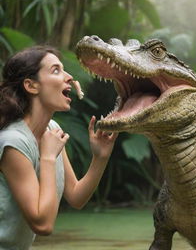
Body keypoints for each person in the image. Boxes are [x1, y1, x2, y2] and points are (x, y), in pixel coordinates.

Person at [0, 46, 118, 249]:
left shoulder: (52, 130)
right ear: (31, 85)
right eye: (56, 70)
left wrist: (100, 157)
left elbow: (75, 196)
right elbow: (43, 224)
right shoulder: (14, 141)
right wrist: (47, 157)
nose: (70, 77)